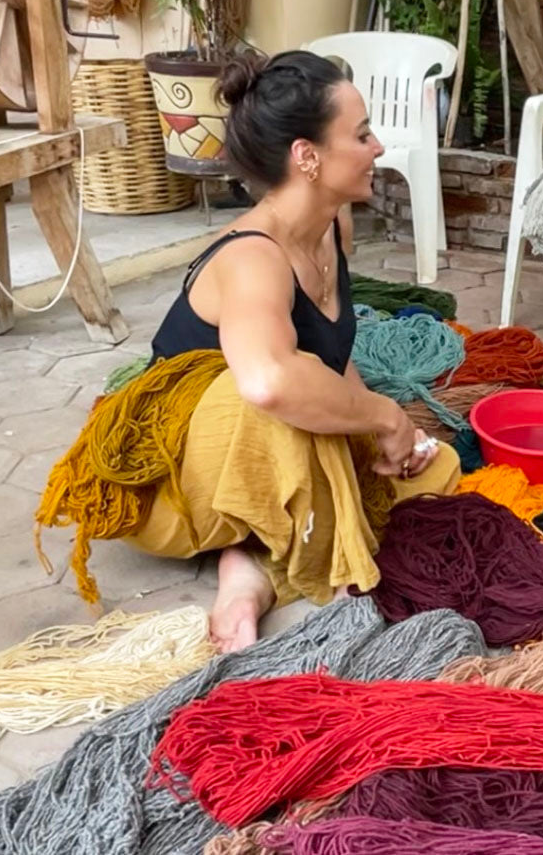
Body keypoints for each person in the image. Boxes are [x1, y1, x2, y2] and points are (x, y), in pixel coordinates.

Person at [41, 50, 461, 652]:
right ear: (307, 157)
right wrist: (383, 416)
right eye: (362, 133)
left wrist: (389, 437)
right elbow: (268, 383)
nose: (379, 147)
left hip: (255, 446)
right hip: (172, 486)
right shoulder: (252, 257)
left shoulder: (329, 231)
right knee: (288, 392)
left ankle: (250, 566)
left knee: (435, 463)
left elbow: (337, 358)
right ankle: (277, 556)